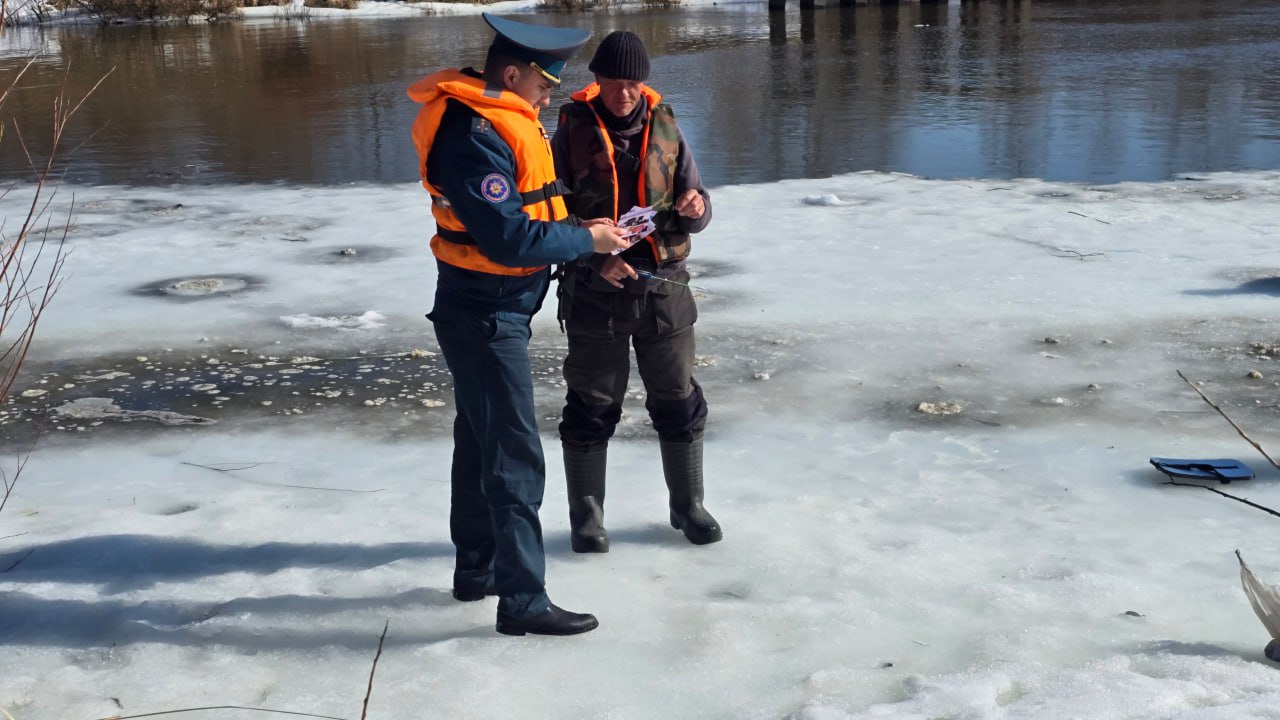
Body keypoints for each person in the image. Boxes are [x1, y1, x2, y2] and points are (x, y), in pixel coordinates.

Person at [406, 13, 631, 636]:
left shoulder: (502, 118)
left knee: (481, 440)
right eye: (543, 84)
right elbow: (507, 238)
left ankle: (477, 569)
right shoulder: (473, 134)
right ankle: (523, 601)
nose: (549, 96)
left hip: (495, 307)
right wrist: (587, 241)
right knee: (513, 453)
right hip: (484, 312)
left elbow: (534, 214)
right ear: (512, 75)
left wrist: (586, 239)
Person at [551, 31, 722, 553]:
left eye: (632, 83)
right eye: (612, 82)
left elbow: (698, 203)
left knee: (678, 399)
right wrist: (593, 255)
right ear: (596, 80)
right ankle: (587, 519)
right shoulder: (569, 129)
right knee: (591, 404)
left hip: (664, 289)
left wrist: (697, 208)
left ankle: (687, 507)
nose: (623, 93)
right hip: (594, 289)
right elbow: (548, 213)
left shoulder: (666, 125)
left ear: (643, 82)